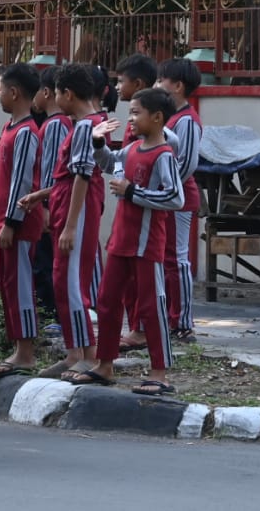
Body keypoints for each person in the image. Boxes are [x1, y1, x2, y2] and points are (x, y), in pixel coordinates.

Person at [70, 89, 184, 394]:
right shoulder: (131, 149)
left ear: (157, 118)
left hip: (147, 243)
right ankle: (104, 365)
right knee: (107, 302)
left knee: (151, 306)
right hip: (120, 240)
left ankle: (159, 373)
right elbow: (108, 163)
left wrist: (133, 192)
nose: (129, 119)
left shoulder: (164, 155)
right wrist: (97, 141)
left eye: (136, 113)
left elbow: (175, 198)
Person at [19, 62, 103, 380]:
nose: (54, 98)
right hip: (65, 204)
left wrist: (69, 225)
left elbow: (82, 176)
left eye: (56, 92)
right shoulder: (86, 123)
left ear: (67, 93)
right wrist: (42, 196)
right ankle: (73, 353)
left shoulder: (84, 126)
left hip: (74, 212)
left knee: (71, 285)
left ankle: (88, 354)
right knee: (61, 279)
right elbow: (70, 176)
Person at [0, 63, 44, 379]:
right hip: (7, 219)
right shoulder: (9, 128)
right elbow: (1, 180)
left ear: (14, 92)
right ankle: (17, 346)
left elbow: (22, 181)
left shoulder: (27, 132)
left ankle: (26, 352)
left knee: (19, 285)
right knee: (7, 284)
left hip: (20, 224)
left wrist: (11, 222)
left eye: (1, 89)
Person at [155, 58, 202, 342]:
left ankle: (183, 323)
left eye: (162, 81)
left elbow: (185, 164)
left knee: (177, 258)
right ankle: (172, 318)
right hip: (168, 197)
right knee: (166, 258)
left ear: (178, 86)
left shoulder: (186, 120)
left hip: (178, 199)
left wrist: (166, 190)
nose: (159, 85)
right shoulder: (174, 116)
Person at [32, 66, 67, 333]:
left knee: (45, 260)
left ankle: (53, 314)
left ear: (46, 93)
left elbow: (51, 169)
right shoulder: (61, 123)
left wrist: (44, 206)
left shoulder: (55, 124)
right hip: (53, 202)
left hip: (50, 204)